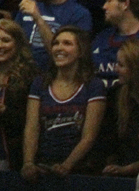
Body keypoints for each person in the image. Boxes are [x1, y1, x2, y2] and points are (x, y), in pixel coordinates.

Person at [20, 26, 105, 181]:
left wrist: (67, 165)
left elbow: (89, 136)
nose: (59, 48)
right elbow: (32, 127)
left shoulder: (93, 86)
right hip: (42, 166)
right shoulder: (40, 83)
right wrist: (28, 163)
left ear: (81, 51)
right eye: (56, 43)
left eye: (67, 43)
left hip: (80, 171)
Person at [100, 39, 139, 177]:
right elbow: (108, 141)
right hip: (119, 172)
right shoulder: (115, 94)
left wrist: (128, 169)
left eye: (121, 65)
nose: (116, 69)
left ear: (137, 68)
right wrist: (113, 166)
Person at [0, 19, 36, 170]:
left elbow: (32, 122)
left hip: (9, 158)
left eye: (6, 40)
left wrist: (4, 113)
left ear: (18, 44)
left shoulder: (30, 77)